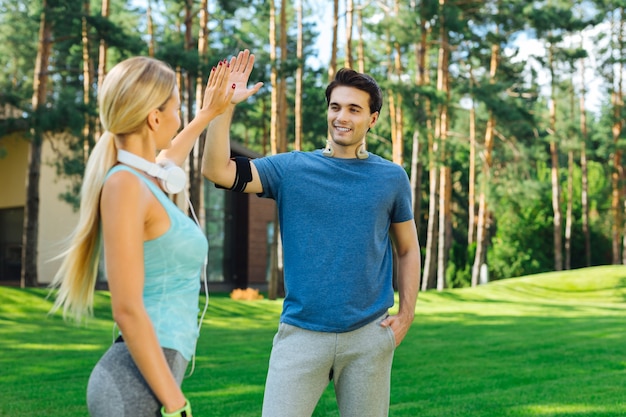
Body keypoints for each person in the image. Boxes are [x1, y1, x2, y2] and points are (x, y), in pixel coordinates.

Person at [202, 52, 421, 417]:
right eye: (336, 107)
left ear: (373, 119)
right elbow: (217, 171)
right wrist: (223, 107)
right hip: (300, 336)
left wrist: (408, 313)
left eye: (354, 109)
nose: (342, 117)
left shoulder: (391, 178)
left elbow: (408, 249)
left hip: (368, 336)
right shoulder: (292, 168)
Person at [49, 51, 262, 417]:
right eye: (178, 108)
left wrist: (214, 110)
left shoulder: (145, 180)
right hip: (133, 389)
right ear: (154, 117)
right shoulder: (124, 186)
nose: (181, 118)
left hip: (155, 376)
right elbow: (127, 309)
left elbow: (170, 159)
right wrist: (176, 404)